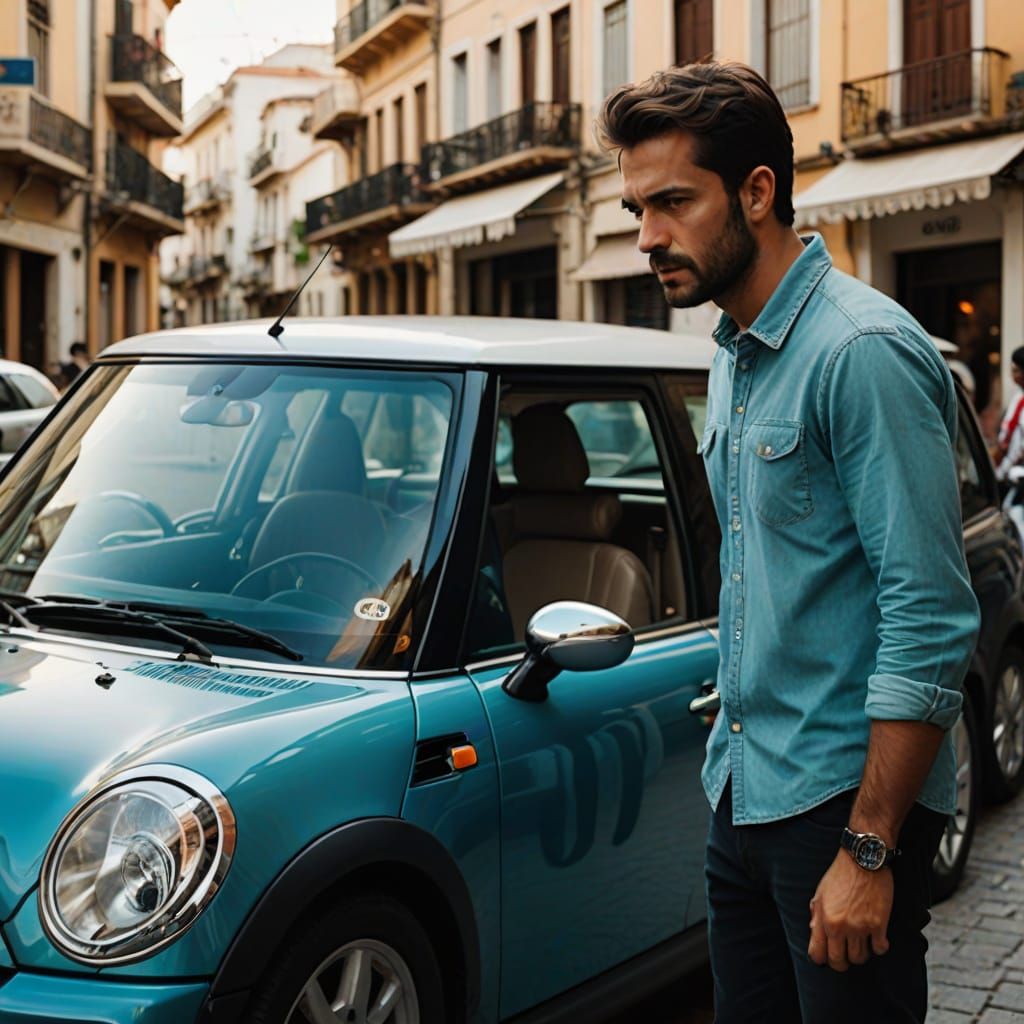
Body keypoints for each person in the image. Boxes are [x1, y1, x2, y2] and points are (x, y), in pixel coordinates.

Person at [598, 62, 979, 1023]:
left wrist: (870, 848)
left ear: (757, 191)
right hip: (744, 785)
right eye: (639, 208)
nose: (648, 237)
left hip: (841, 810)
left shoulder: (860, 352)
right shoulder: (732, 353)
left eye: (673, 202)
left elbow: (929, 614)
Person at [996, 346, 1024, 482]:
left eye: (1016, 370)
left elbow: (1020, 448)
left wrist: (1003, 470)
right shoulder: (1018, 396)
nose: (1013, 375)